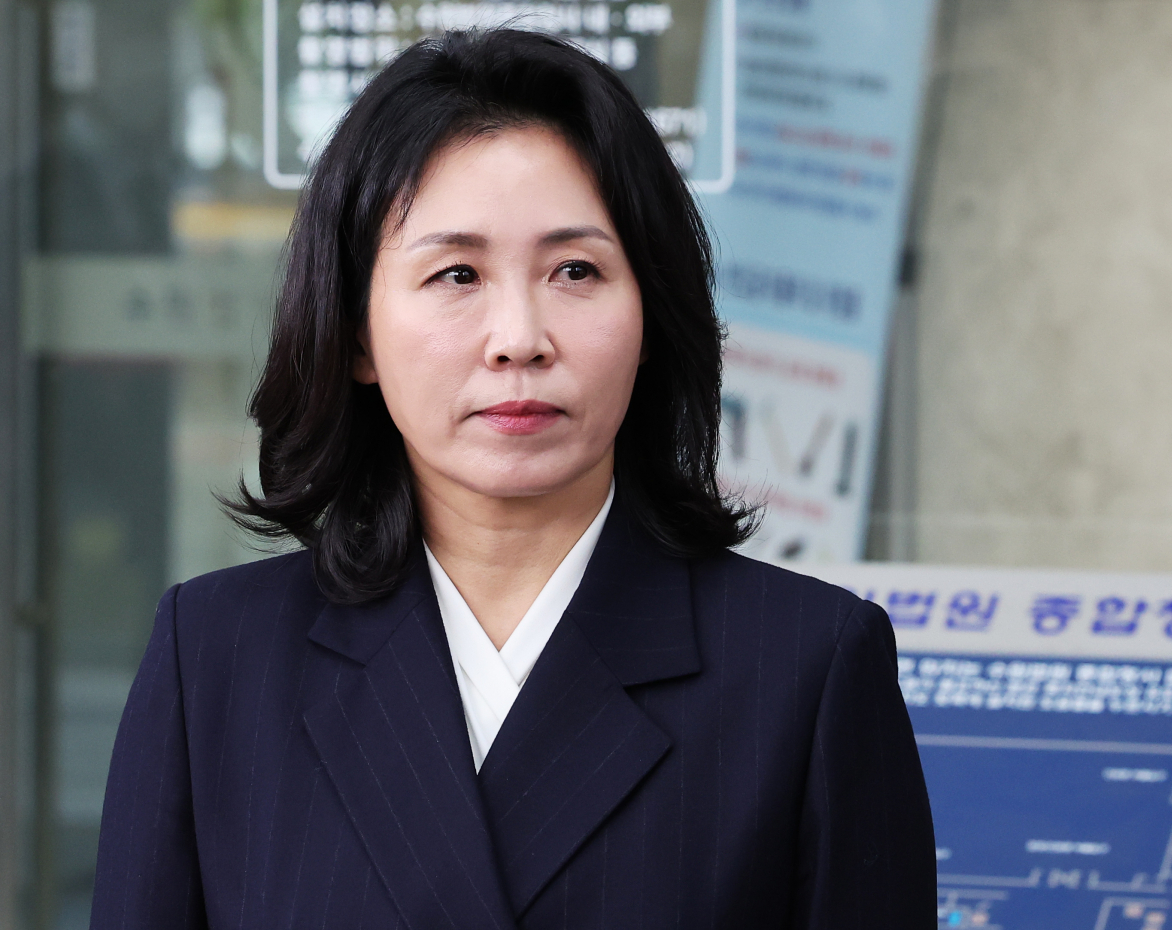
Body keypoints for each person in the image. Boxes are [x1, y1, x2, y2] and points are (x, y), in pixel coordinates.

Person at [90, 28, 935, 930]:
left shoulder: (807, 669)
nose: (519, 337)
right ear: (357, 333)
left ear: (651, 310)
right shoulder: (216, 659)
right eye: (457, 273)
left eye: (576, 270)